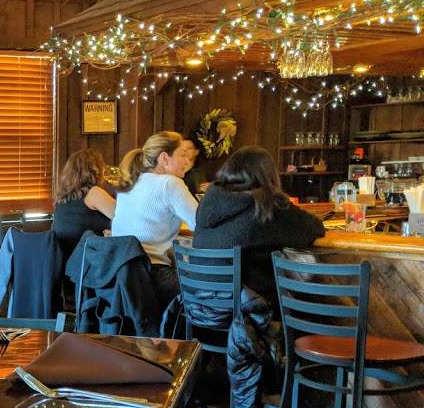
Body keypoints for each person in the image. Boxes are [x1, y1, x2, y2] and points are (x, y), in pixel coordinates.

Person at [193, 145, 324, 310]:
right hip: (252, 312)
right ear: (268, 174)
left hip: (202, 309)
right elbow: (314, 228)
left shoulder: (210, 199)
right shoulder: (265, 203)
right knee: (315, 302)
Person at [111, 131, 198, 310]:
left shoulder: (130, 183)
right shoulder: (169, 183)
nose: (187, 161)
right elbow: (201, 224)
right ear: (164, 158)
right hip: (153, 276)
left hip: (119, 276)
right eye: (183, 154)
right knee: (211, 293)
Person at [51, 149, 117, 260]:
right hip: (89, 261)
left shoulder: (61, 199)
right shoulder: (93, 193)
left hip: (67, 261)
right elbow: (125, 216)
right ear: (95, 170)